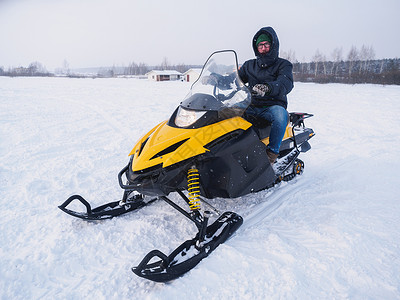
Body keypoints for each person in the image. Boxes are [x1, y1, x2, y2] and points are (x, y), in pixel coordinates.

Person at [238, 26, 294, 164]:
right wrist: (217, 79)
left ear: (273, 45)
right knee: (226, 112)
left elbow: (285, 83)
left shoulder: (283, 65)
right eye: (260, 45)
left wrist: (268, 87)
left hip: (272, 106)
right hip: (251, 104)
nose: (262, 48)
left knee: (281, 116)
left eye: (266, 44)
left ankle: (272, 153)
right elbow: (236, 79)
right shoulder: (249, 65)